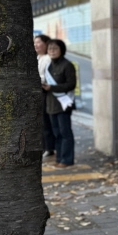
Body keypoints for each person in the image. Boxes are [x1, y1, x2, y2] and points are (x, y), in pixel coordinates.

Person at [43, 38, 76, 167]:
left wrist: (52, 88)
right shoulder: (49, 66)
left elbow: (71, 84)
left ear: (61, 50)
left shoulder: (67, 65)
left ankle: (67, 160)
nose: (52, 51)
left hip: (64, 104)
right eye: (50, 49)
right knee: (56, 133)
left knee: (65, 133)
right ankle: (59, 158)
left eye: (55, 48)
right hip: (51, 104)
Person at [34, 35, 55, 157]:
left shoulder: (48, 59)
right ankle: (44, 146)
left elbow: (46, 77)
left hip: (45, 91)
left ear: (46, 44)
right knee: (40, 121)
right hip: (37, 91)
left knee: (45, 121)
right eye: (35, 42)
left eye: (38, 42)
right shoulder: (37, 57)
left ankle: (49, 147)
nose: (36, 45)